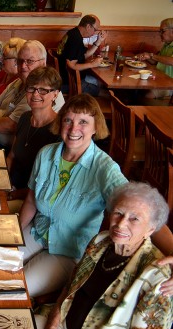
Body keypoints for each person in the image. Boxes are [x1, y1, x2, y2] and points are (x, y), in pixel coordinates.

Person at [18, 94, 173, 298]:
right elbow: (30, 200)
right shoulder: (46, 154)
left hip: (68, 251)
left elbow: (145, 210)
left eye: (83, 122)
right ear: (60, 123)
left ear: (95, 127)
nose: (74, 129)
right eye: (68, 120)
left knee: (16, 288)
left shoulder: (104, 169)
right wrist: (13, 236)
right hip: (37, 232)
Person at [39, 182, 173, 329]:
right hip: (60, 323)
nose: (121, 224)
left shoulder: (157, 275)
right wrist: (54, 318)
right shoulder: (100, 240)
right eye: (118, 213)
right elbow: (72, 284)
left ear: (150, 229)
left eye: (134, 219)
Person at [0, 40, 65, 153]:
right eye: (20, 61)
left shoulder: (40, 95)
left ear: (43, 63)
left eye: (30, 61)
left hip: (5, 148)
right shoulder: (18, 82)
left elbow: (11, 125)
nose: (23, 66)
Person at [6, 66, 61, 203]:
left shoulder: (58, 131)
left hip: (30, 199)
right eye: (31, 88)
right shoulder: (25, 118)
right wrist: (3, 182)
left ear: (55, 94)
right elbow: (11, 157)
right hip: (9, 188)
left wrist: (13, 195)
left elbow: (48, 185)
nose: (35, 94)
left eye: (43, 90)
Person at [56, 14, 108, 96]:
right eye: (95, 30)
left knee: (98, 82)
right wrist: (92, 64)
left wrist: (99, 41)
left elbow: (83, 55)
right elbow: (71, 65)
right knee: (103, 91)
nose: (95, 33)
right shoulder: (76, 40)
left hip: (66, 78)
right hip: (70, 83)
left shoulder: (73, 33)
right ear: (88, 26)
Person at [136, 18, 173, 100]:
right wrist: (146, 56)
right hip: (159, 79)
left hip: (169, 85)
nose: (160, 34)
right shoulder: (167, 44)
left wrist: (151, 55)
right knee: (137, 87)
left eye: (162, 31)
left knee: (147, 95)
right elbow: (156, 62)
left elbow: (171, 61)